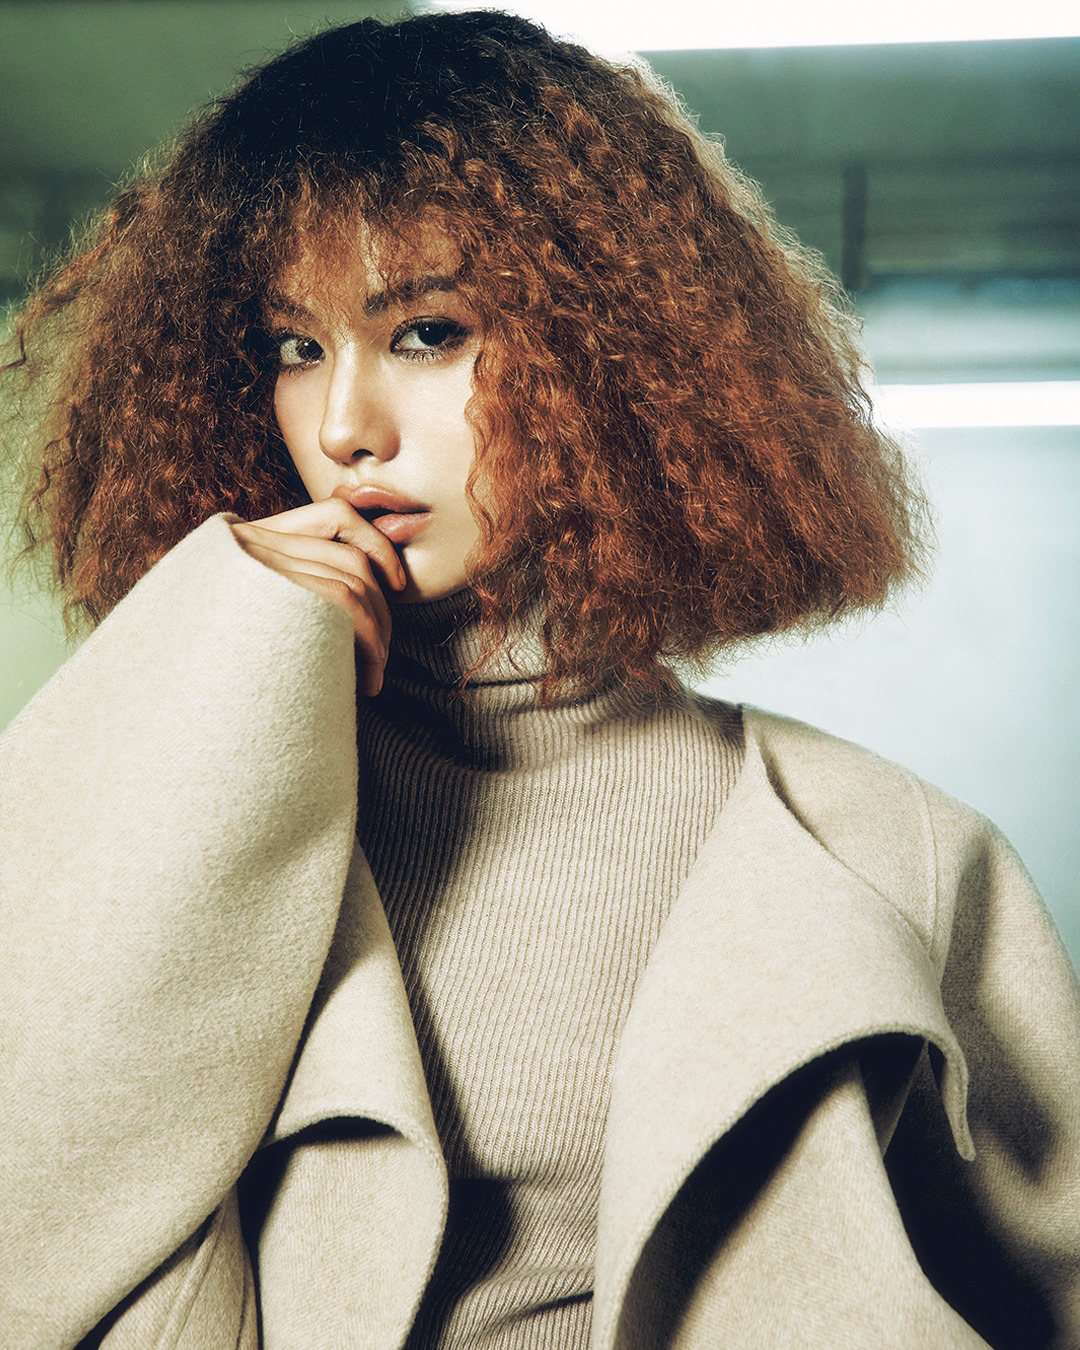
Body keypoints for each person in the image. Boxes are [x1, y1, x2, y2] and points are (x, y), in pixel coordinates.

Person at [1, 10, 1077, 1348]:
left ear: (609, 352)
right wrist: (204, 651)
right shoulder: (180, 807)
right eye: (294, 348)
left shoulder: (891, 849)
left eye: (426, 332)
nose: (342, 425)